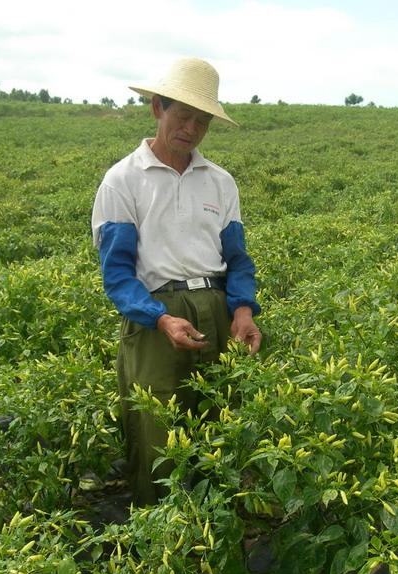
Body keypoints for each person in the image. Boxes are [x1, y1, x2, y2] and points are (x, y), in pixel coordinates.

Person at [91, 57, 262, 506]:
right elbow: (119, 275)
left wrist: (242, 309)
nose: (190, 128)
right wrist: (160, 319)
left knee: (221, 417)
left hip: (216, 308)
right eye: (182, 115)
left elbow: (238, 258)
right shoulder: (123, 181)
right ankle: (160, 531)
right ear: (156, 108)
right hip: (156, 315)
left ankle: (220, 523)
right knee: (155, 427)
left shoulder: (220, 182)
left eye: (201, 121)